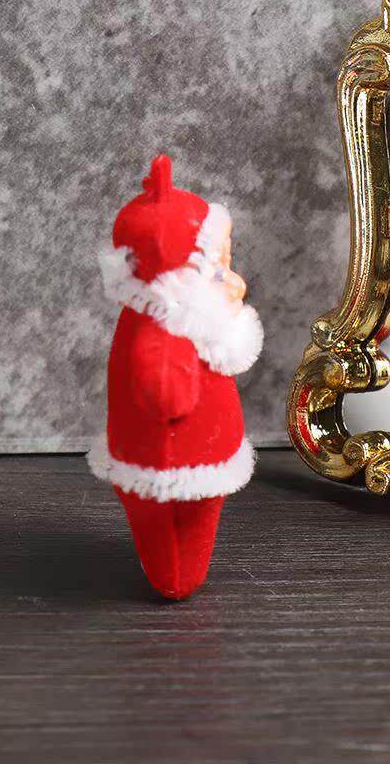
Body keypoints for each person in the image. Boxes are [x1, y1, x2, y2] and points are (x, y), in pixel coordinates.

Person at [88, 154, 262, 599]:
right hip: (178, 458)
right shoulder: (167, 332)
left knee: (188, 517)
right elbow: (167, 395)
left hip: (199, 450)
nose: (235, 281)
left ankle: (176, 568)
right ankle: (173, 574)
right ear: (187, 272)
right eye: (219, 267)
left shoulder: (171, 317)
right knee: (171, 526)